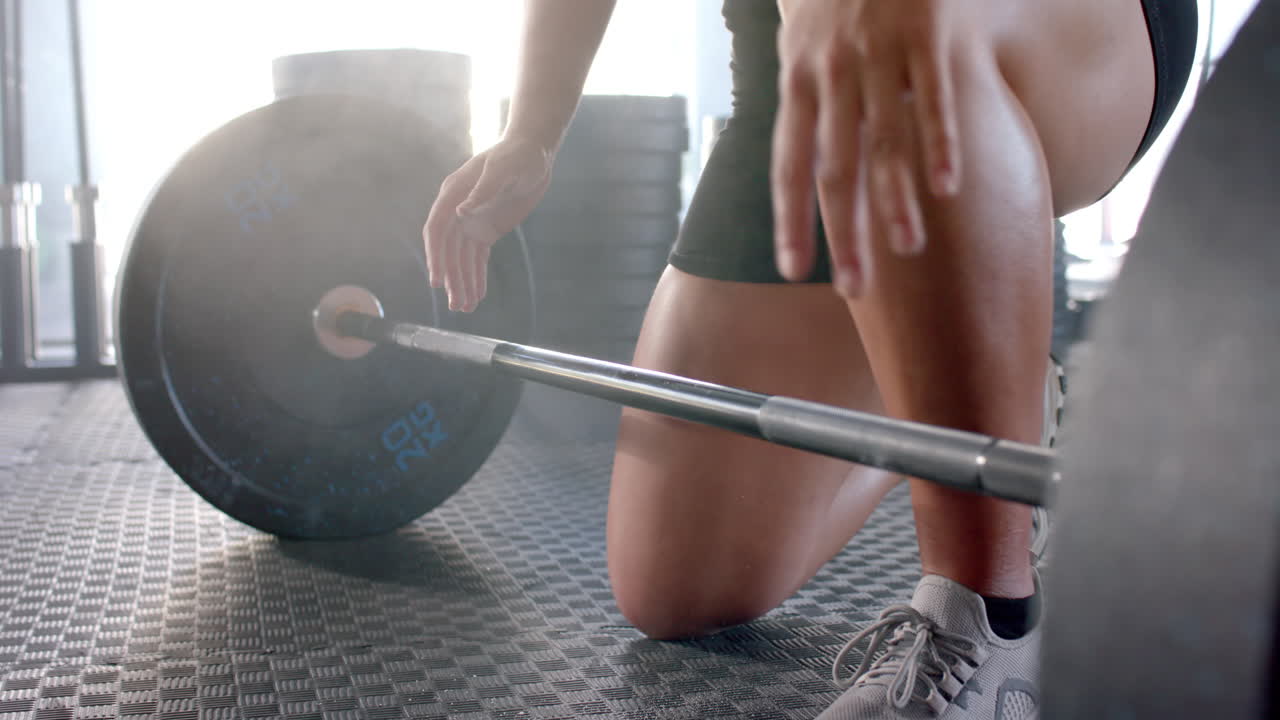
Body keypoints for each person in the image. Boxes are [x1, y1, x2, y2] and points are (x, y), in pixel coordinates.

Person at [423, 1, 1198, 717]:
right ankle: (988, 393)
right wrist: (533, 129)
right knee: (675, 584)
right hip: (792, 60)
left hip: (1054, 25)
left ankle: (990, 621)